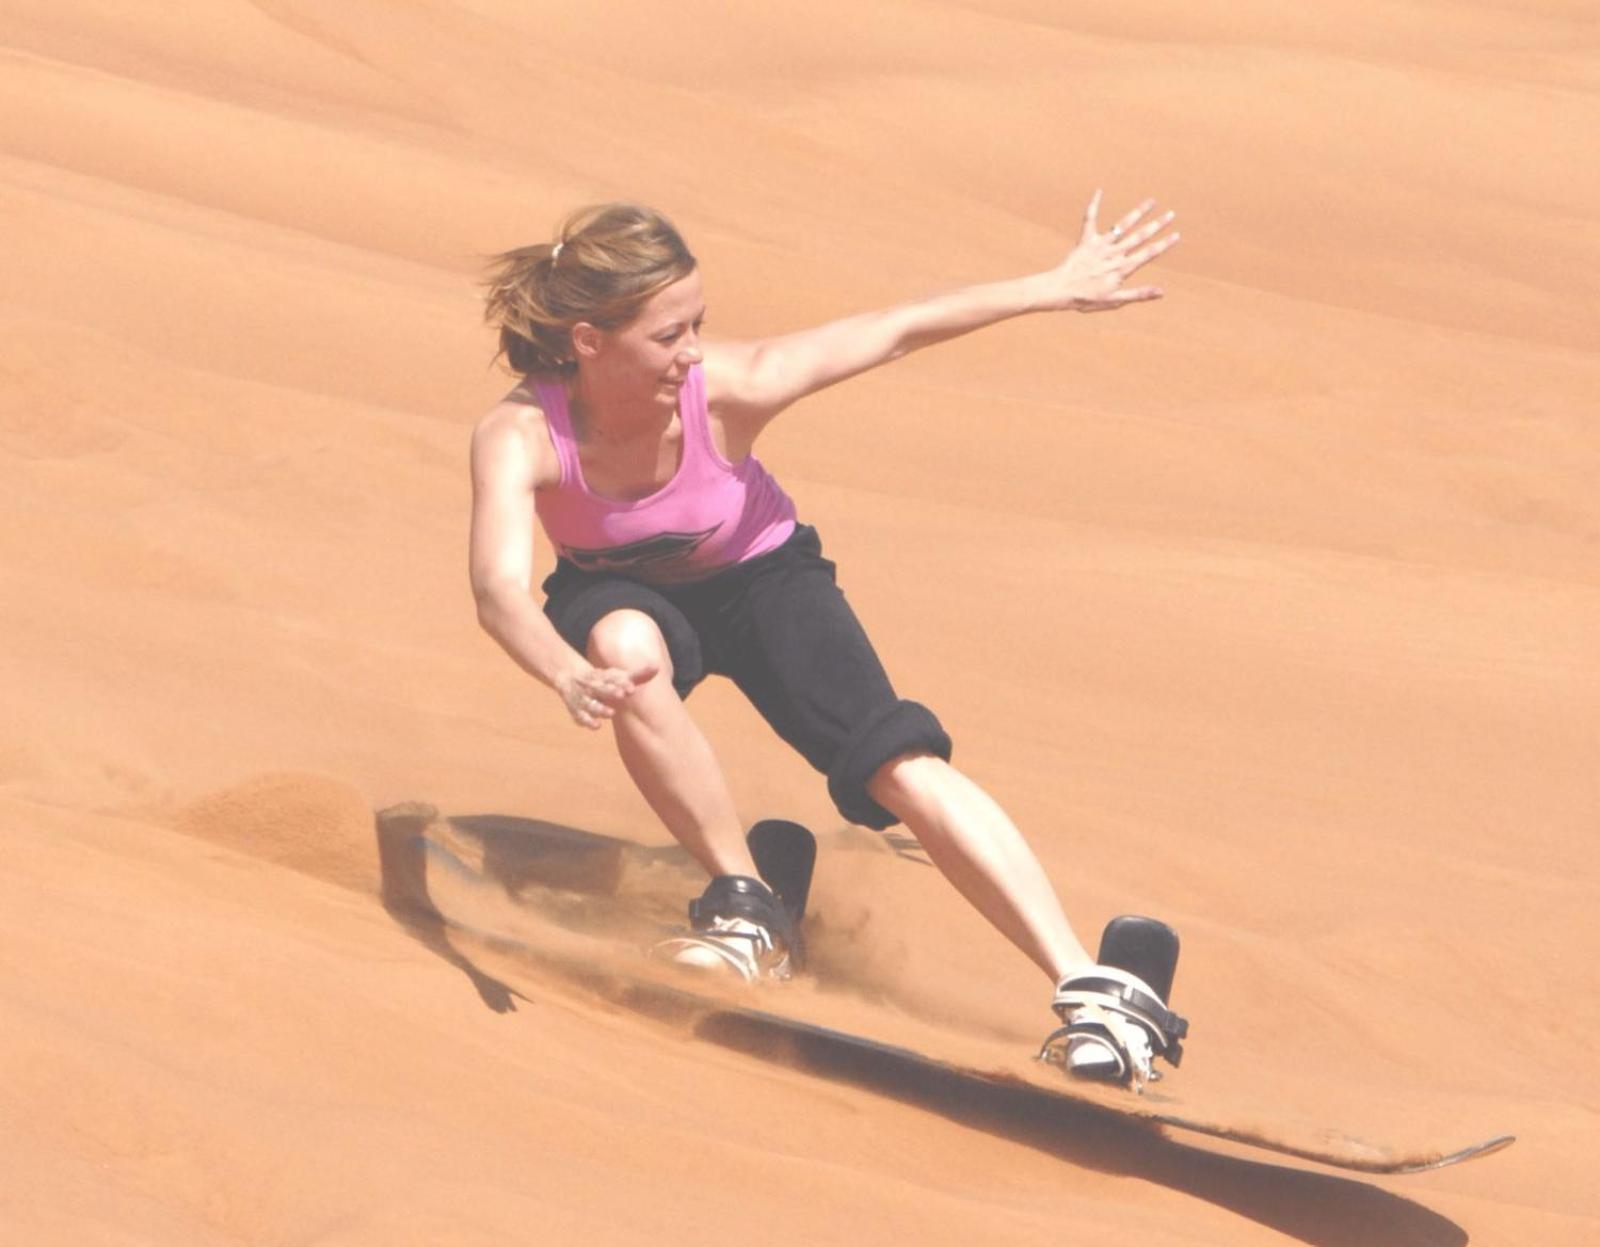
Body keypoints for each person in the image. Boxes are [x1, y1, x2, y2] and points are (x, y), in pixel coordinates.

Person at [469, 194, 1186, 1085]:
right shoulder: (521, 434)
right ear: (587, 340)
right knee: (625, 650)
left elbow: (894, 329)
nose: (692, 351)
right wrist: (564, 671)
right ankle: (746, 901)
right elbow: (498, 588)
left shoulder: (733, 388)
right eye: (667, 335)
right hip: (615, 587)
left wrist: (1052, 286)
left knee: (895, 760)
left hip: (765, 580)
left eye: (698, 325)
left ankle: (1094, 986)